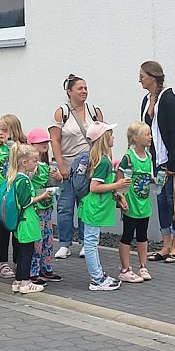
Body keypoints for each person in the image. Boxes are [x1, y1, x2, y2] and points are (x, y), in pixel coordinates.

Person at [48, 73, 105, 261]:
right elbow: (54, 140)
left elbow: (102, 136)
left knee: (85, 204)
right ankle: (64, 243)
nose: (84, 91)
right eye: (80, 88)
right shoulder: (61, 112)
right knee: (65, 205)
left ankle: (84, 241)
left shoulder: (94, 111)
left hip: (89, 164)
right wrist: (61, 164)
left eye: (86, 88)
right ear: (69, 91)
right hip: (68, 163)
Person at [139, 60, 175, 264]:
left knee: (173, 200)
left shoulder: (168, 99)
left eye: (142, 75)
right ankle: (165, 243)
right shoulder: (146, 99)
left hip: (171, 161)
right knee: (161, 201)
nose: (139, 78)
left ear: (153, 76)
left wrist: (174, 164)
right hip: (157, 160)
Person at [78, 122, 130, 291]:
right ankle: (97, 279)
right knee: (91, 243)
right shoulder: (104, 162)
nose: (113, 137)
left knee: (91, 242)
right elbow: (95, 187)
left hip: (94, 207)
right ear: (104, 138)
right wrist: (118, 185)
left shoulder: (99, 159)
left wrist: (117, 195)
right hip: (96, 208)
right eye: (111, 134)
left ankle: (99, 275)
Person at [5, 143, 51, 294]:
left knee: (22, 252)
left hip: (20, 220)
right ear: (24, 162)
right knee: (27, 252)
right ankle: (26, 282)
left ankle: (18, 281)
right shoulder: (23, 180)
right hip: (27, 219)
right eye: (34, 161)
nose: (36, 164)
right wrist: (42, 196)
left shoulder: (14, 178)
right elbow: (26, 202)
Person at [0, 114, 27, 279]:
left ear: (14, 130)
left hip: (18, 194)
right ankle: (3, 263)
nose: (0, 133)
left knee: (18, 229)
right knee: (3, 229)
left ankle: (18, 262)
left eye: (4, 130)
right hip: (3, 196)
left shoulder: (22, 147)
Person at [116, 122, 155, 283]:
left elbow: (146, 177)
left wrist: (155, 180)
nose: (150, 137)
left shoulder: (149, 157)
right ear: (135, 138)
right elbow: (118, 180)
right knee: (127, 235)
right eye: (146, 134)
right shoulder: (128, 158)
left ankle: (143, 266)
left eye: (150, 134)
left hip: (144, 203)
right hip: (131, 203)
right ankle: (125, 268)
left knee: (142, 235)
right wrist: (120, 198)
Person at [27, 128, 63, 284]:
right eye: (40, 142)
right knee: (37, 241)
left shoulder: (47, 164)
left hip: (47, 208)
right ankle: (33, 271)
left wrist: (58, 177)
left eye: (45, 142)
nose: (45, 145)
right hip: (35, 208)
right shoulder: (31, 166)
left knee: (48, 239)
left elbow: (56, 182)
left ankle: (45, 267)